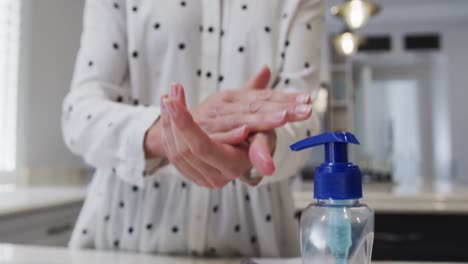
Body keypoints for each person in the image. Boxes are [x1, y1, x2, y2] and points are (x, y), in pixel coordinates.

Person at [62, 0, 324, 258]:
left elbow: (304, 115)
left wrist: (268, 138)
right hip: (122, 240)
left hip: (255, 244)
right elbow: (79, 113)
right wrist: (166, 132)